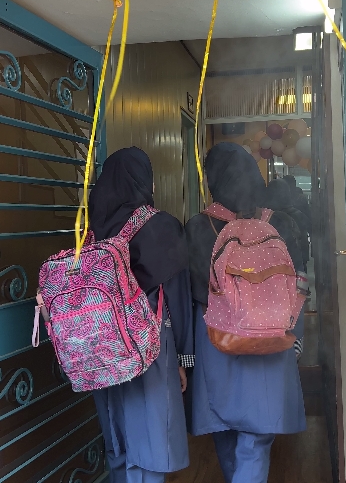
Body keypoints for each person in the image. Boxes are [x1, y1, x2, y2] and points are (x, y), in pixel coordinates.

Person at [185, 143, 306, 483]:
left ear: (212, 180)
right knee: (257, 434)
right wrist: (298, 335)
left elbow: (192, 287)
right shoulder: (279, 222)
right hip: (271, 333)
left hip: (215, 335)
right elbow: (299, 282)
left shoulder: (197, 226)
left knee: (223, 425)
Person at [89, 147, 193, 483]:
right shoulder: (161, 225)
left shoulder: (91, 230)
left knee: (116, 436)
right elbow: (176, 295)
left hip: (101, 348)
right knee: (149, 438)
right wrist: (183, 358)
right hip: (148, 345)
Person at [262, 179, 310, 273]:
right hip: (298, 260)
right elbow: (307, 232)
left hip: (273, 263)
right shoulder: (297, 214)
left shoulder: (265, 218)